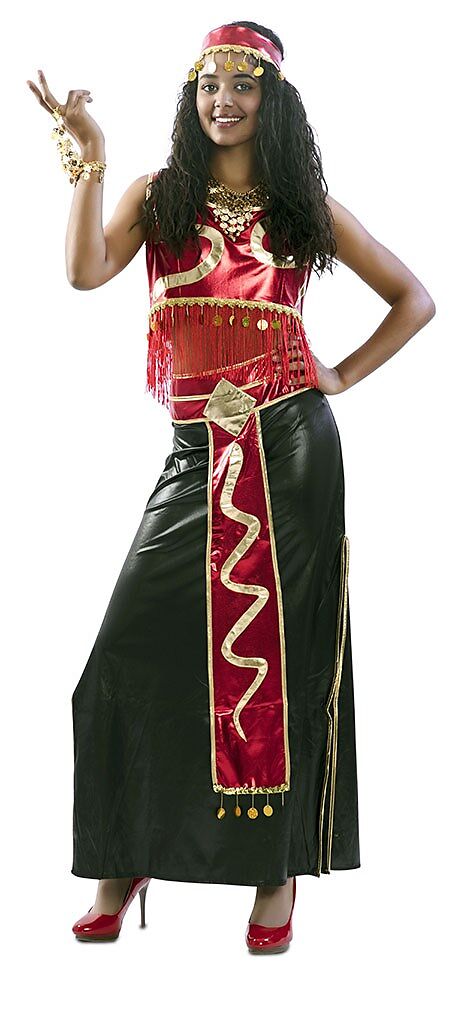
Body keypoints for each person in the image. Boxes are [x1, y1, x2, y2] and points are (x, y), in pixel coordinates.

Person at [27, 21, 435, 951]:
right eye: (209, 84)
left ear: (270, 100)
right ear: (192, 95)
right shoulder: (159, 195)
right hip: (194, 452)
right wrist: (89, 157)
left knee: (282, 662)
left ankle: (273, 872)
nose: (223, 100)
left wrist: (339, 375)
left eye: (242, 85)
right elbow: (85, 273)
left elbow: (413, 299)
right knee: (124, 658)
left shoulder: (303, 207)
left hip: (290, 450)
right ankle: (123, 857)